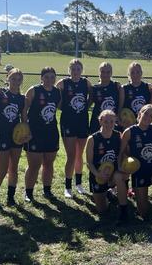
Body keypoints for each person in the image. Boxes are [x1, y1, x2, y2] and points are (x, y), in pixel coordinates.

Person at [0, 68, 27, 208]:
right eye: (13, 78)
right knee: (2, 170)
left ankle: (10, 198)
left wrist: (25, 134)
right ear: (7, 78)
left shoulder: (22, 99)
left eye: (19, 79)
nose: (16, 82)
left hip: (16, 138)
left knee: (14, 169)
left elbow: (24, 119)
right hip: (1, 135)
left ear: (21, 81)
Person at [23, 67, 61, 202]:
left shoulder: (57, 92)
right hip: (34, 134)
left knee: (49, 163)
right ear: (41, 77)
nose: (49, 80)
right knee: (34, 165)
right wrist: (25, 128)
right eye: (46, 77)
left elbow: (56, 108)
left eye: (52, 77)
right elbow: (24, 110)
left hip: (51, 133)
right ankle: (28, 192)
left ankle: (47, 190)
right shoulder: (34, 90)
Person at [56, 59, 93, 198]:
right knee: (71, 155)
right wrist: (64, 107)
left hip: (82, 121)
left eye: (78, 69)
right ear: (69, 70)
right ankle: (67, 186)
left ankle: (78, 184)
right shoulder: (63, 83)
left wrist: (86, 106)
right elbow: (56, 99)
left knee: (79, 154)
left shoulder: (86, 82)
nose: (76, 72)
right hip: (68, 122)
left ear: (81, 70)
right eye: (73, 69)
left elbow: (92, 95)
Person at [86, 110, 129, 220]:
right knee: (102, 211)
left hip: (113, 173)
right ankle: (108, 194)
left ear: (115, 122)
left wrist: (122, 168)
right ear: (100, 121)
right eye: (106, 121)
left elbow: (122, 154)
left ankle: (123, 210)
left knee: (120, 176)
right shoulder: (92, 139)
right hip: (98, 175)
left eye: (111, 121)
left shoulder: (118, 135)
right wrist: (97, 174)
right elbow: (89, 163)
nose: (109, 124)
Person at [90, 62, 124, 133]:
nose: (105, 74)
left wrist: (119, 114)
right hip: (98, 122)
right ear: (99, 73)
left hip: (113, 122)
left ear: (111, 73)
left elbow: (121, 102)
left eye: (108, 72)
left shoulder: (116, 86)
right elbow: (89, 103)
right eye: (103, 72)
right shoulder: (94, 88)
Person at [121, 62, 151, 129]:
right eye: (132, 72)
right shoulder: (124, 88)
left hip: (144, 123)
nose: (135, 75)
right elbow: (120, 107)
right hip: (128, 124)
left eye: (138, 72)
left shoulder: (148, 87)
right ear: (129, 74)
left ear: (141, 73)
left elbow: (151, 107)